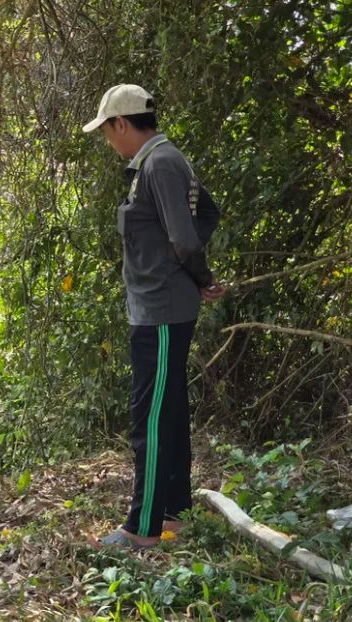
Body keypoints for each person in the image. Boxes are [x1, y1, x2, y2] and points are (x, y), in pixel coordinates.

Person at [82, 84, 226, 548]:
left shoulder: (161, 164)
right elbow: (204, 215)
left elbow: (188, 235)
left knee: (150, 417)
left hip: (161, 312)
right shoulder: (158, 164)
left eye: (107, 130)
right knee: (168, 409)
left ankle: (142, 528)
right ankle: (174, 512)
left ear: (121, 123)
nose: (108, 140)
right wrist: (184, 270)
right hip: (158, 308)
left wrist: (197, 278)